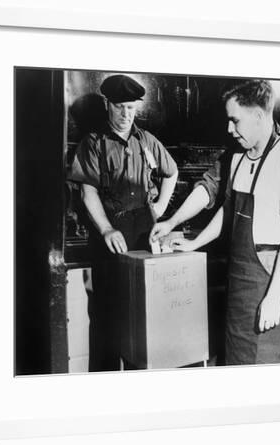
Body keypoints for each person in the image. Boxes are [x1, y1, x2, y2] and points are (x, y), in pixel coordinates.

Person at [151, 91, 280, 363]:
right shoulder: (238, 158)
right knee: (237, 360)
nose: (229, 129)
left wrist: (273, 298)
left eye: (235, 121)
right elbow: (228, 209)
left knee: (272, 367)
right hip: (241, 280)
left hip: (272, 274)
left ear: (258, 116)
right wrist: (193, 241)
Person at [68, 74, 178, 371]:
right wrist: (105, 228)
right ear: (108, 105)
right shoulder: (93, 143)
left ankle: (138, 377)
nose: (125, 115)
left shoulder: (147, 141)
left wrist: (159, 207)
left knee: (141, 313)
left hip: (142, 234)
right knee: (105, 317)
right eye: (119, 108)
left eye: (130, 108)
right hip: (110, 237)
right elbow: (87, 189)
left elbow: (172, 172)